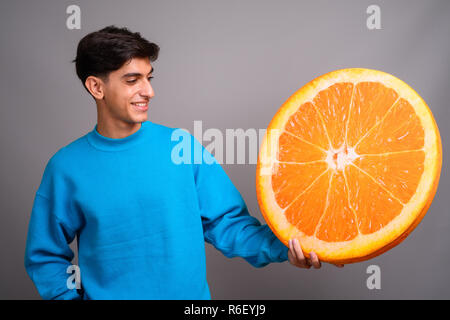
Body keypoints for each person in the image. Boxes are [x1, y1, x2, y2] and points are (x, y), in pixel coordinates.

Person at [24, 25, 343, 300]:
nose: (148, 91)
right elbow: (46, 256)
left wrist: (287, 247)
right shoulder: (66, 167)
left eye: (148, 77)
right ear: (96, 87)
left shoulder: (181, 146)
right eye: (132, 80)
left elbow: (227, 224)